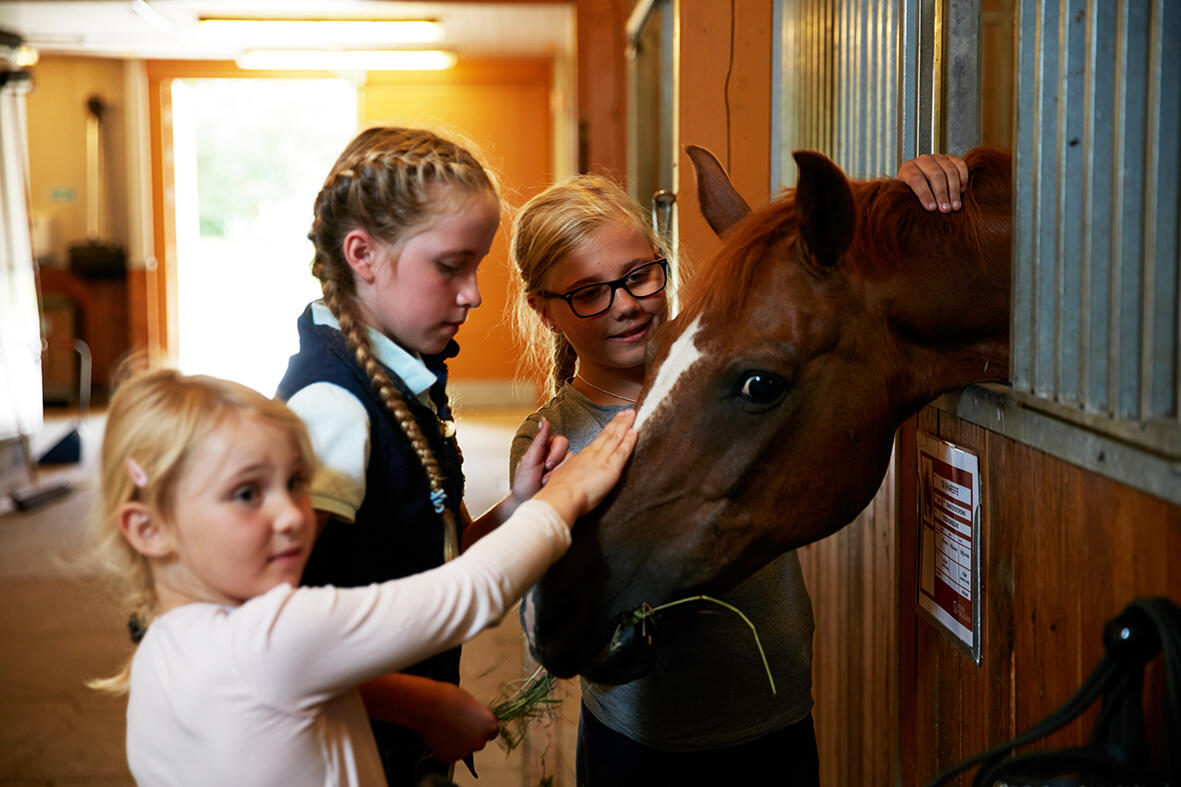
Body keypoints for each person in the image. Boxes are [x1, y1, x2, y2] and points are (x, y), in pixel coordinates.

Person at [507, 155, 969, 785]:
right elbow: (548, 600)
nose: (625, 305)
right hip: (639, 743)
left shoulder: (726, 377)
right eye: (589, 292)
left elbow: (826, 291)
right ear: (544, 308)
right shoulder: (549, 442)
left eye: (639, 275)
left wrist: (911, 196)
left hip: (773, 719)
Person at [88, 367, 637, 787]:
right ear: (149, 528)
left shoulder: (167, 643)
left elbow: (290, 680)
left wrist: (419, 704)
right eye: (248, 493)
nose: (292, 514)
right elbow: (470, 591)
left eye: (296, 483)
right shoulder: (274, 631)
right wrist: (569, 494)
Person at [273, 126, 567, 784]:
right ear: (363, 254)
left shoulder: (403, 375)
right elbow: (259, 631)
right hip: (349, 754)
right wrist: (425, 704)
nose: (474, 294)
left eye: (476, 266)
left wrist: (516, 504)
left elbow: (431, 557)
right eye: (449, 265)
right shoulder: (333, 410)